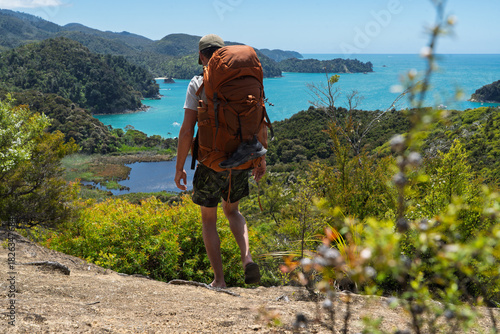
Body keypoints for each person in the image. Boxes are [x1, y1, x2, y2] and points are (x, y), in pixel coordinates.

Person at [174, 34, 266, 288]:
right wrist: (262, 158)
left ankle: (219, 280)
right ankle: (247, 258)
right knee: (233, 211)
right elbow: (259, 119)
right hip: (243, 158)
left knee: (209, 219)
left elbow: (186, 130)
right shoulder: (246, 81)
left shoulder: (198, 83)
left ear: (203, 56)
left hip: (210, 161)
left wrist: (180, 167)